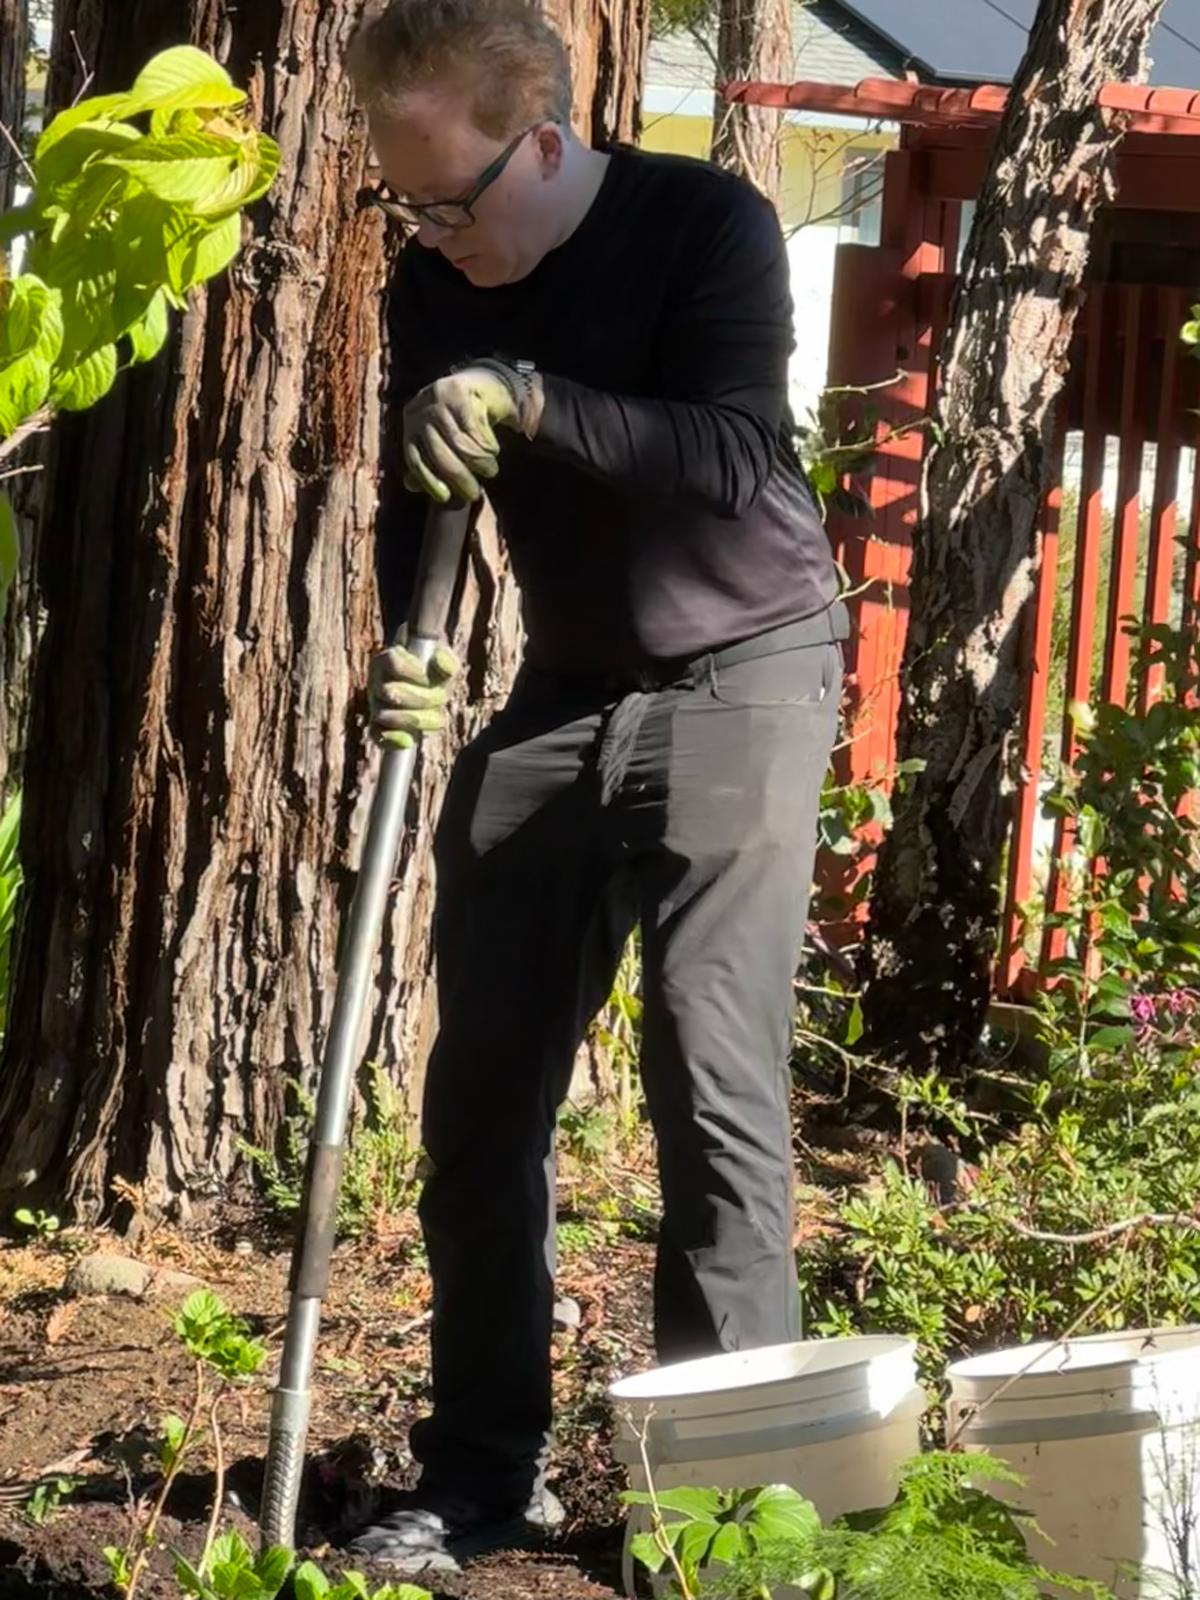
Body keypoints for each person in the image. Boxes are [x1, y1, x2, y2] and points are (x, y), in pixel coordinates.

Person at [345, 0, 847, 1573]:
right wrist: (408, 640)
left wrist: (532, 394)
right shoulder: (436, 278)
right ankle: (483, 1471)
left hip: (746, 669)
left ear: (547, 144)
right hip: (565, 694)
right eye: (404, 204)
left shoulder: (705, 226)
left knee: (712, 1085)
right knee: (479, 1099)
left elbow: (732, 458)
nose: (431, 236)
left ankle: (726, 1516)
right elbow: (420, 494)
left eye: (450, 200)